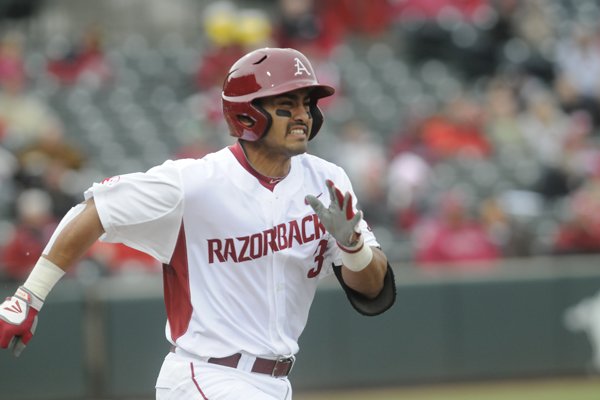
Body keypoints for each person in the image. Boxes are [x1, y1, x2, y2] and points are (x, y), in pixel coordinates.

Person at [0, 47, 395, 399]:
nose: (301, 115)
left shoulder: (328, 182)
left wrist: (354, 246)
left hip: (275, 382)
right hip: (205, 375)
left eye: (306, 103)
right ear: (247, 113)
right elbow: (94, 211)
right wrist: (29, 297)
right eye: (285, 104)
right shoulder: (194, 183)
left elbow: (374, 291)